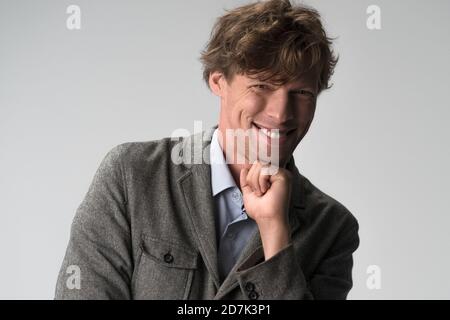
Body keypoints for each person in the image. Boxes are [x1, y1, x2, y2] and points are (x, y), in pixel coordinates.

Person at [55, 0, 359, 300]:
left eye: (301, 92)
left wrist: (274, 233)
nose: (281, 113)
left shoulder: (333, 229)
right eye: (261, 86)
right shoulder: (130, 176)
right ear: (218, 81)